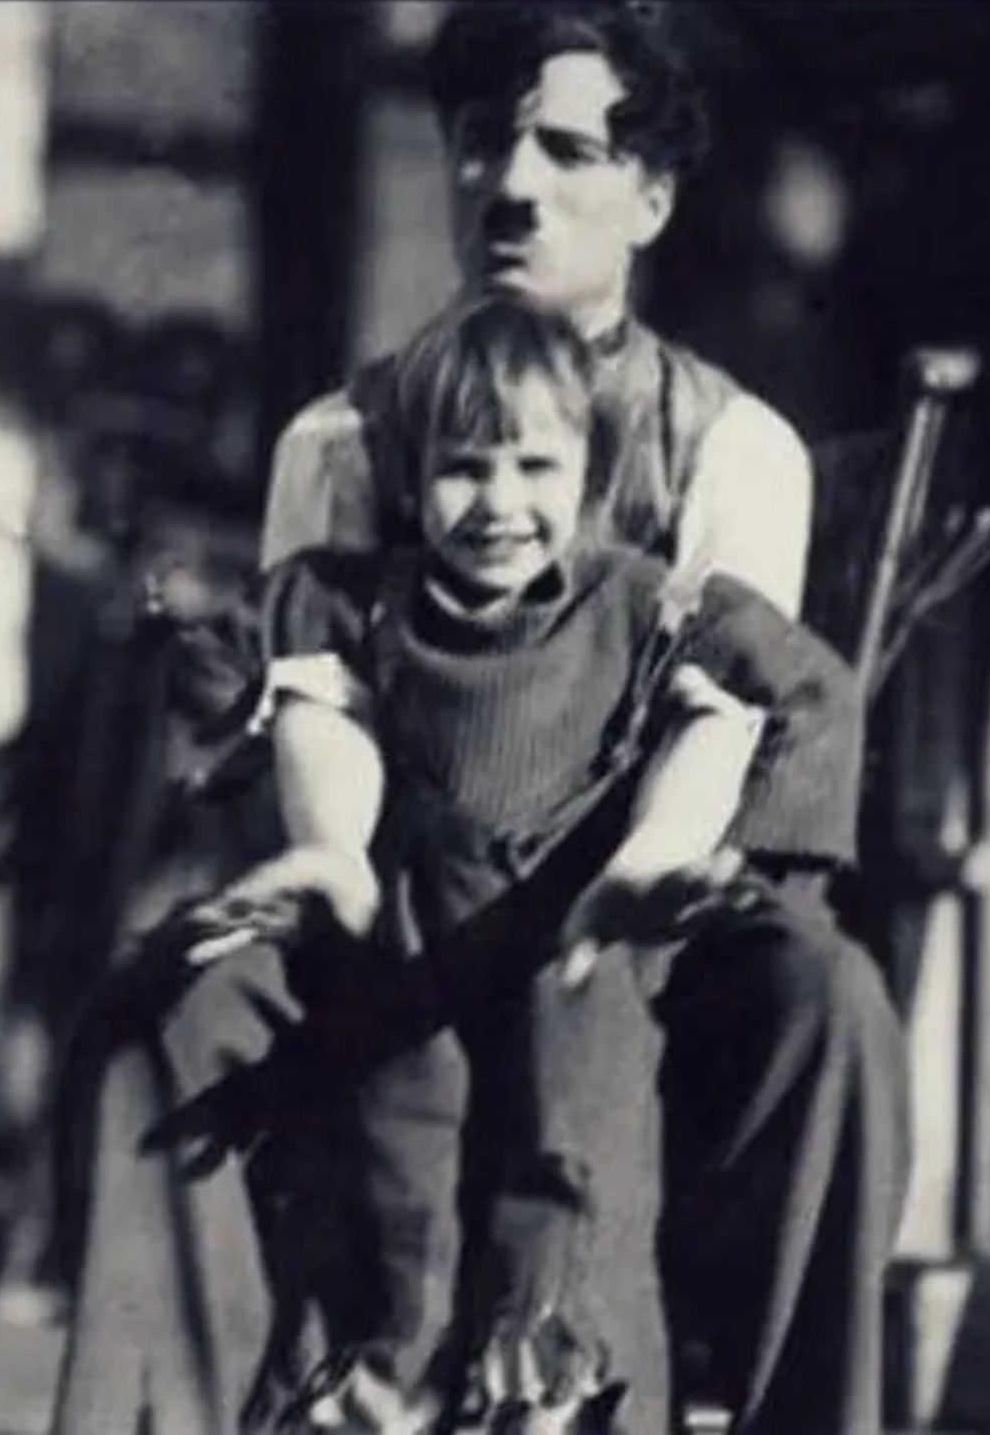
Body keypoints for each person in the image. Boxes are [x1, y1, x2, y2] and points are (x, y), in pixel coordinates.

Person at [51, 6, 911, 1435]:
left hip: (627, 908)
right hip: (393, 889)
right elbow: (302, 699)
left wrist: (652, 877)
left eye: (568, 151)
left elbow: (727, 710)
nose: (514, 187)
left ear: (651, 196)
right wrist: (324, 865)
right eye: (481, 145)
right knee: (177, 994)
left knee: (831, 1000)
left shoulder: (728, 445)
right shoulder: (343, 440)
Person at [175, 296, 870, 1434]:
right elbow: (241, 671)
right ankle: (388, 1395)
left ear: (587, 470)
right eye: (464, 469)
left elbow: (782, 693)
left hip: (580, 935)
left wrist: (672, 855)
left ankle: (551, 1396)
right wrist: (314, 837)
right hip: (408, 935)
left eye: (535, 466)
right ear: (410, 479)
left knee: (568, 1167)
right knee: (405, 1182)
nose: (501, 505)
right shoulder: (362, 598)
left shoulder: (642, 600)